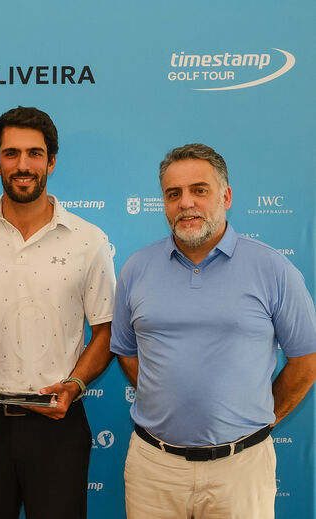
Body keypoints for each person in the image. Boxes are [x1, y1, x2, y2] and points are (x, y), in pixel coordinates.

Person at [110, 143, 316, 519]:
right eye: (173, 194)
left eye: (199, 190)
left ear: (226, 195)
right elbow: (125, 350)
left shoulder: (273, 268)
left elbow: (305, 362)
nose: (185, 203)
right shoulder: (136, 269)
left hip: (241, 468)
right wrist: (166, 396)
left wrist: (261, 417)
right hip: (153, 468)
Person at [0, 106, 116, 518]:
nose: (23, 165)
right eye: (11, 153)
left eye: (34, 154)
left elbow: (107, 331)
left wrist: (73, 384)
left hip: (58, 420)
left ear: (51, 161)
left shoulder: (89, 240)